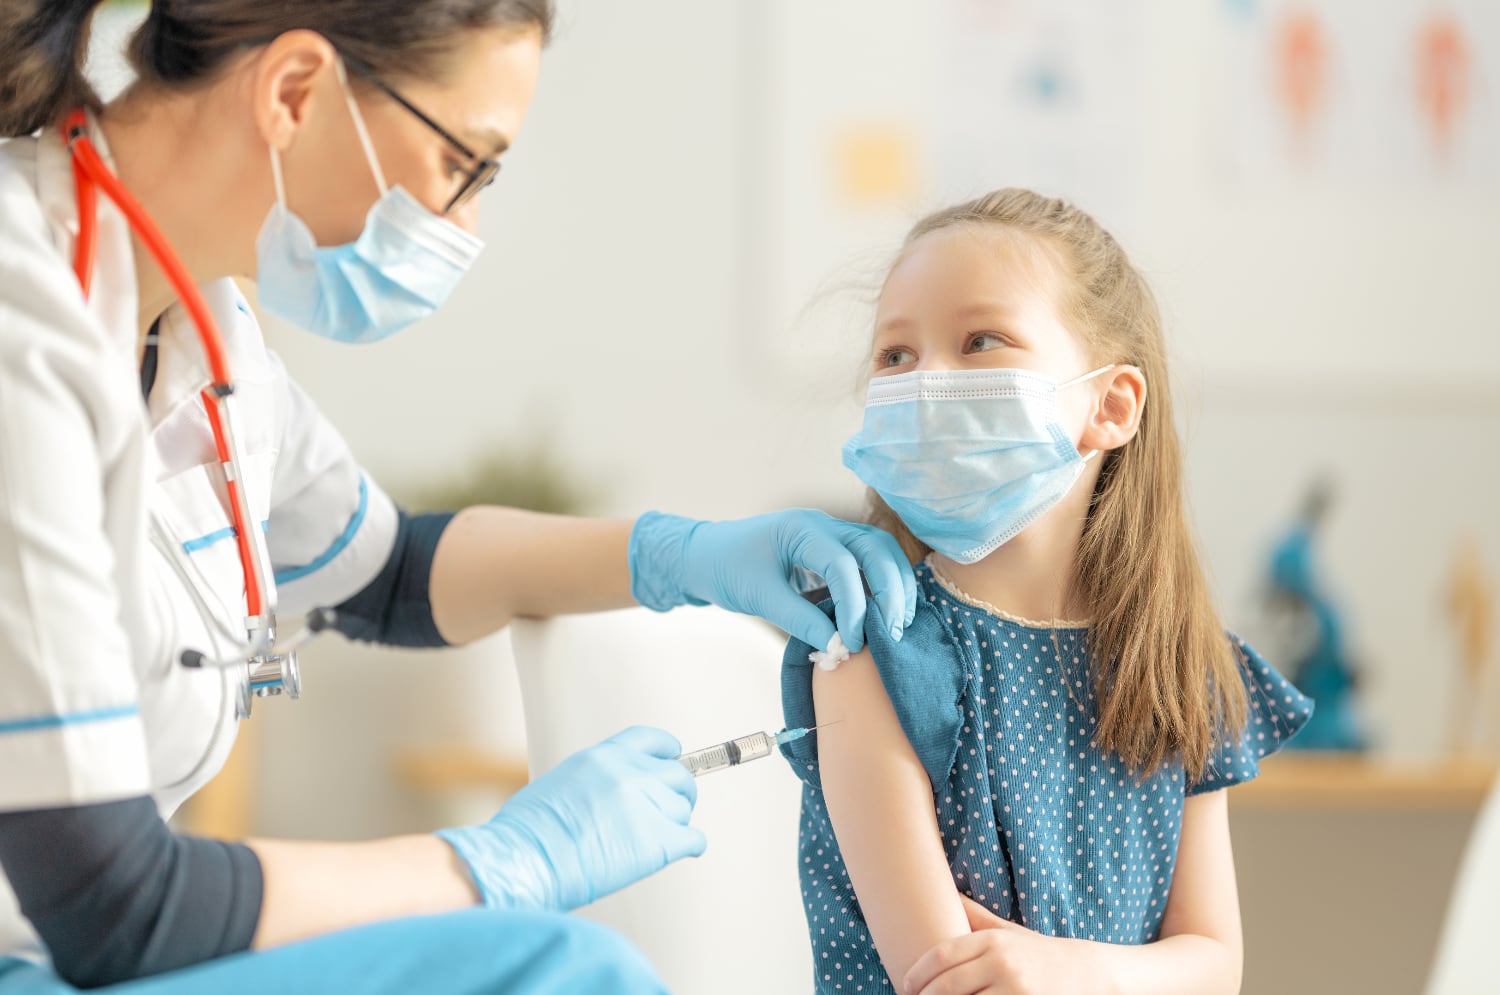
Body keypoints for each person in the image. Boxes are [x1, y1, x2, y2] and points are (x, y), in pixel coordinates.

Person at [0, 1, 918, 991]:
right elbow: (115, 906)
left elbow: (389, 573)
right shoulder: (24, 318)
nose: (465, 225)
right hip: (72, 942)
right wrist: (496, 862)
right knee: (563, 971)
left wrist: (685, 556)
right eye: (464, 165)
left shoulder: (201, 326)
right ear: (295, 91)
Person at [778, 188, 1314, 994]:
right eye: (896, 355)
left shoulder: (1180, 664)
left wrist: (1063, 969)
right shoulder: (865, 648)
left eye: (980, 340)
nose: (927, 381)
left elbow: (1214, 962)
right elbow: (943, 977)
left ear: (1112, 404)